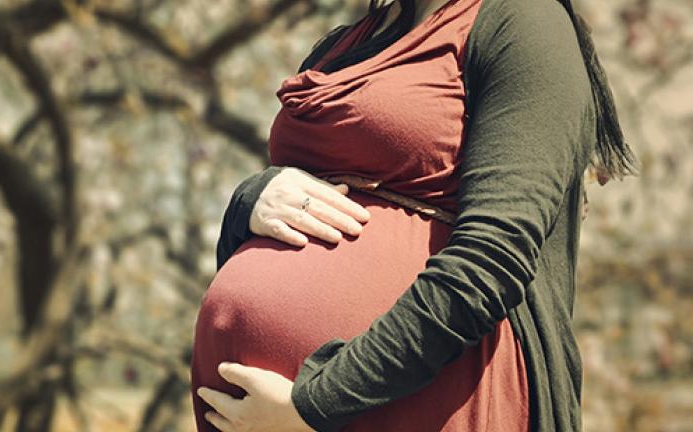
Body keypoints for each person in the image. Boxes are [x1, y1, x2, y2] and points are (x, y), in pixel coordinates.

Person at [192, 0, 639, 431]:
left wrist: (317, 404)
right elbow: (295, 203)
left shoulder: (524, 22)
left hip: (414, 398)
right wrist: (249, 202)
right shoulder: (346, 44)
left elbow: (493, 258)